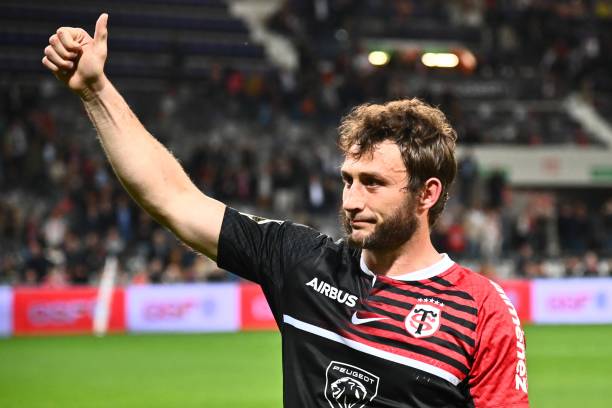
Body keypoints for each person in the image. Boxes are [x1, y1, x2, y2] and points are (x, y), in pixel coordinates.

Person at [42, 14, 529, 407]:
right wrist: (95, 90)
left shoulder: (482, 311)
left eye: (374, 184)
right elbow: (173, 200)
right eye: (348, 180)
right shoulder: (301, 262)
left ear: (427, 194)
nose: (351, 200)